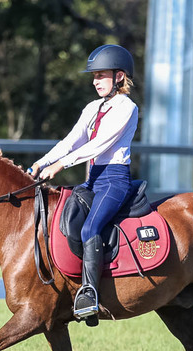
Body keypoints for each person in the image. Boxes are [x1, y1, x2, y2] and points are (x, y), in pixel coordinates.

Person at [30, 44, 138, 324]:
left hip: (113, 181)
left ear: (119, 76)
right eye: (94, 76)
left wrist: (60, 165)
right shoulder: (93, 108)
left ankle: (90, 293)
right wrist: (41, 162)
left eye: (101, 75)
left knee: (91, 227)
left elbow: (98, 145)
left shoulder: (127, 107)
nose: (95, 81)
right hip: (92, 180)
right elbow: (71, 141)